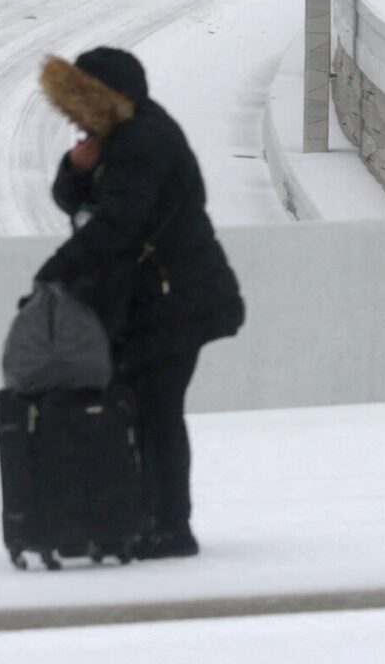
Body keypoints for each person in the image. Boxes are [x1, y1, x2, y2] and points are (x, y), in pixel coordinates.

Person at [34, 47, 245, 559]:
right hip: (157, 301)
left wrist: (54, 271)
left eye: (82, 105)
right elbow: (77, 202)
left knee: (157, 412)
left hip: (179, 300)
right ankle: (146, 519)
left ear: (106, 100)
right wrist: (76, 168)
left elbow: (116, 224)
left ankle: (170, 528)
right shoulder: (120, 137)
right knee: (144, 411)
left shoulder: (143, 142)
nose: (76, 119)